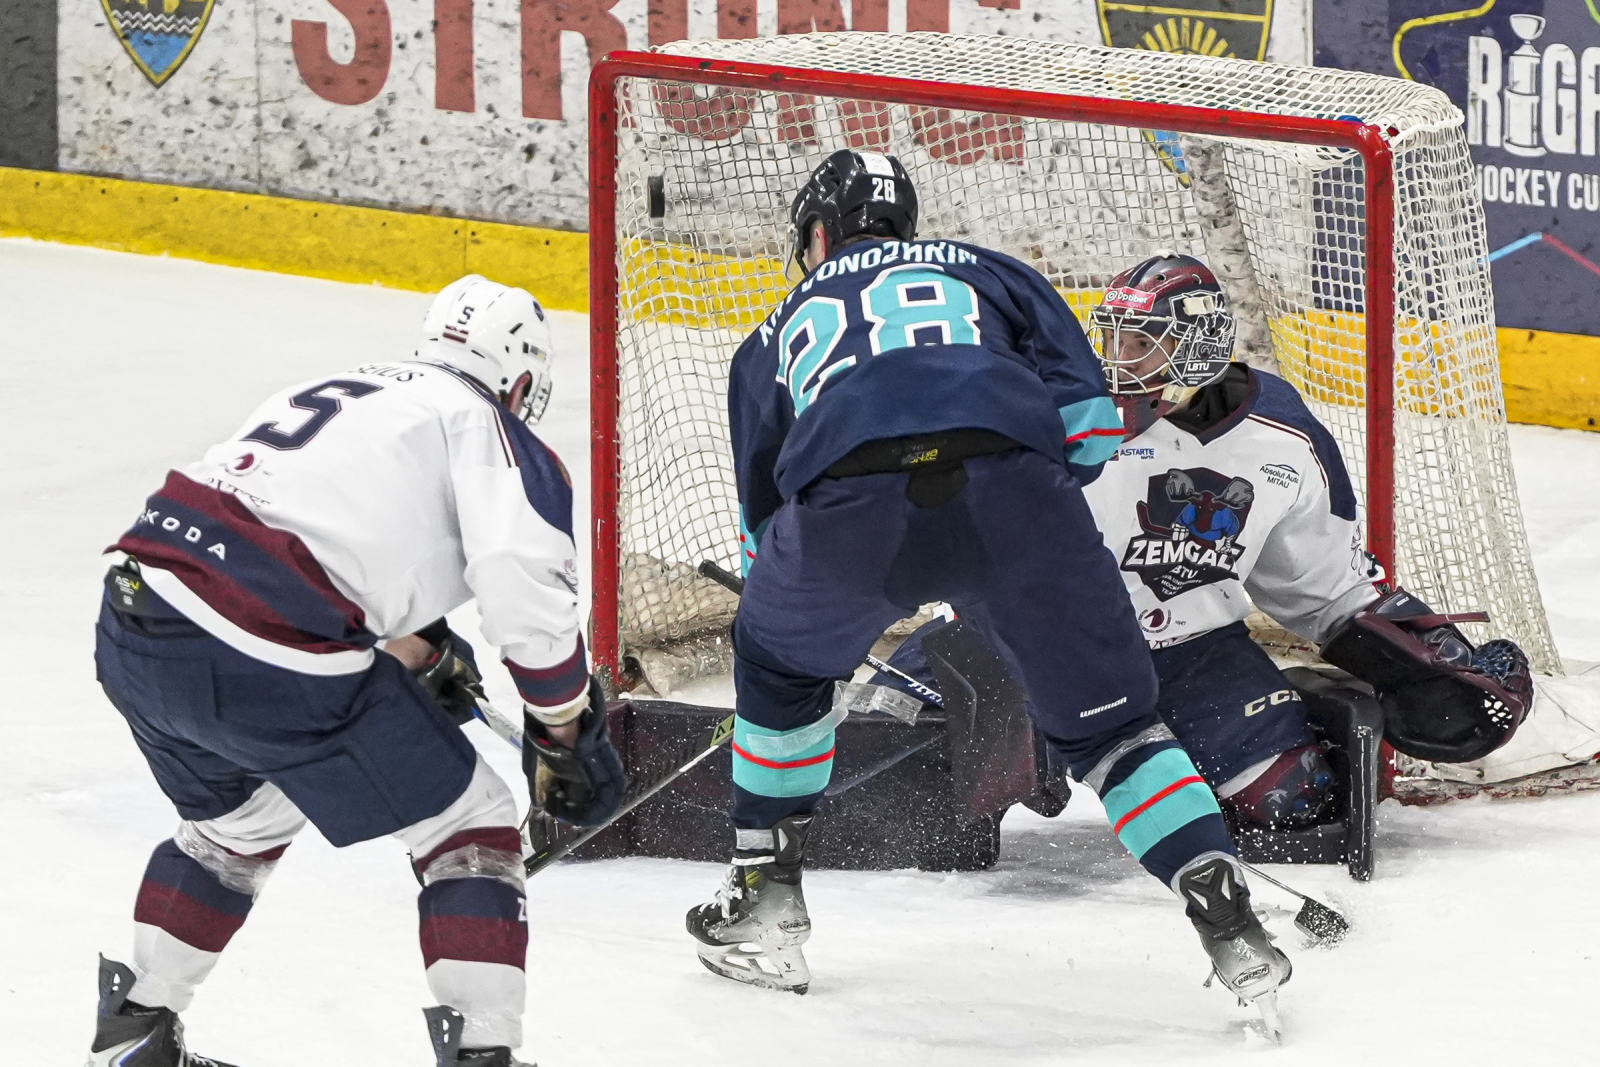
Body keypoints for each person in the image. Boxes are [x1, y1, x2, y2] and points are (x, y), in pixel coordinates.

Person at [684, 150, 1291, 1026]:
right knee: (1115, 729)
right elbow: (1090, 432)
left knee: (777, 667)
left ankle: (764, 900)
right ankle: (1227, 916)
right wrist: (1005, 524)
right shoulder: (993, 273)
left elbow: (764, 527)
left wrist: (818, 635)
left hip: (850, 517)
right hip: (1018, 499)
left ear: (816, 234)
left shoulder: (771, 333)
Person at [88, 276, 624, 1067]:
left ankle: (133, 1037)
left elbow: (301, 537)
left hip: (134, 620)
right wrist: (564, 729)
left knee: (238, 824)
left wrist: (418, 649)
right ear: (519, 381)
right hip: (262, 649)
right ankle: (483, 1054)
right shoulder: (489, 426)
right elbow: (524, 586)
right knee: (468, 824)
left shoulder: (342, 388)